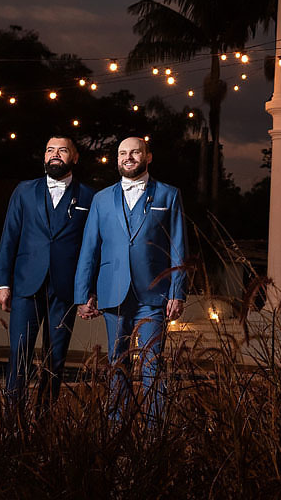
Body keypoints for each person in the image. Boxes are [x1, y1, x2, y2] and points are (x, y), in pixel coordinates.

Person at [74, 136, 186, 421]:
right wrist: (82, 294)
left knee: (153, 363)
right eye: (123, 153)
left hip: (155, 293)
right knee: (117, 362)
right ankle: (116, 427)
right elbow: (89, 249)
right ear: (117, 159)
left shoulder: (168, 194)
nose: (128, 157)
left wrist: (177, 292)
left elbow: (178, 247)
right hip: (113, 292)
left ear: (148, 157)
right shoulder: (101, 199)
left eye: (135, 152)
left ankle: (155, 431)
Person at [0, 135, 95, 413]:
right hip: (26, 286)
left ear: (75, 157)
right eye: (50, 150)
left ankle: (44, 420)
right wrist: (2, 283)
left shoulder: (89, 196)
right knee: (19, 355)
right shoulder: (24, 191)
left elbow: (92, 247)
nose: (55, 154)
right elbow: (9, 237)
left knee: (56, 359)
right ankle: (13, 421)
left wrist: (88, 290)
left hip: (66, 290)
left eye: (62, 150)